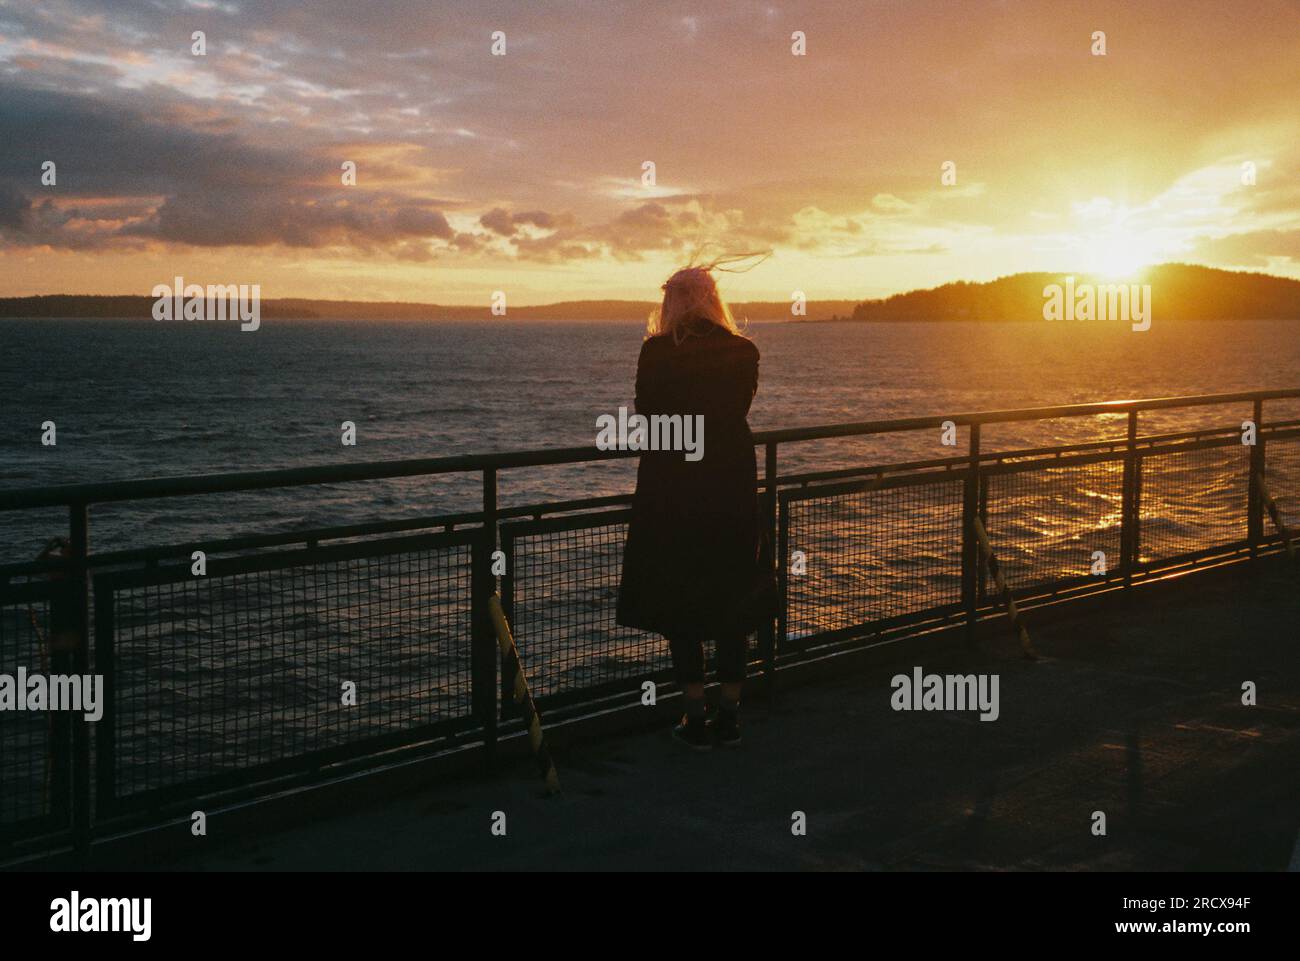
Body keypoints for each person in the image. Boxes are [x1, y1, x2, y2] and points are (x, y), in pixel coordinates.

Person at [615, 258, 772, 750]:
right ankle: (731, 714)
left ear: (672, 302)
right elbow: (733, 413)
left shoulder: (657, 352)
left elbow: (648, 417)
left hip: (673, 494)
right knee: (732, 599)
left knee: (680, 602)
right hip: (730, 490)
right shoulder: (744, 351)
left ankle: (694, 715)